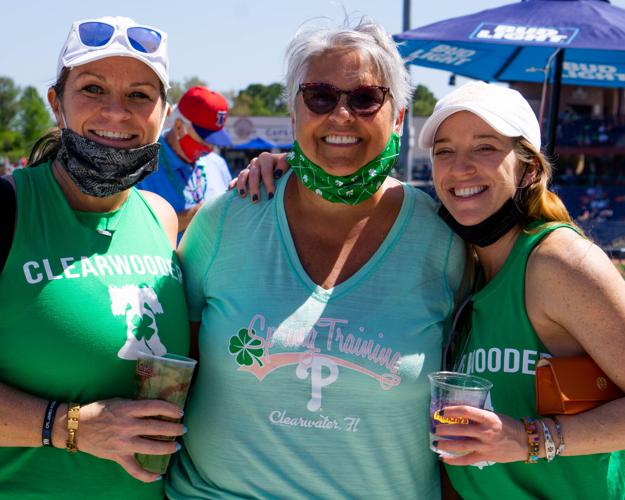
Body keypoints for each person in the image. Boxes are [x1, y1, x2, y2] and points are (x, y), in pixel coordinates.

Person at [166, 19, 465, 499]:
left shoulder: (445, 240)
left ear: (401, 116)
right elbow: (170, 361)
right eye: (320, 97)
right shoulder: (226, 222)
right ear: (294, 113)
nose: (341, 115)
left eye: (365, 98)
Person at [0, 16, 190, 498]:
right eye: (92, 88)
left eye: (140, 95)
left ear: (164, 114)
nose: (116, 113)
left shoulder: (161, 218)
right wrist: (70, 427)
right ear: (56, 104)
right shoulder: (9, 209)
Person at [418, 82, 625, 499]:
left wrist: (533, 437)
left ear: (528, 168)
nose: (460, 168)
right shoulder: (463, 265)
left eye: (485, 147)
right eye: (444, 151)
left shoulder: (560, 263)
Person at [138, 86, 232, 238]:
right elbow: (133, 231)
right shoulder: (140, 164)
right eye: (204, 139)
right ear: (179, 126)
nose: (210, 147)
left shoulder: (217, 164)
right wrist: (192, 216)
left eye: (214, 140)